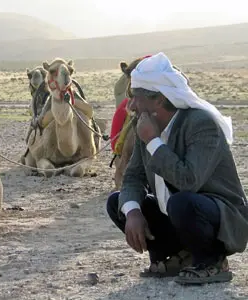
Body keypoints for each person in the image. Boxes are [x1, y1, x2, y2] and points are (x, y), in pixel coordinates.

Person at [106, 52, 248, 285]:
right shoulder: (145, 124)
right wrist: (132, 212)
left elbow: (188, 180)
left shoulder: (201, 124)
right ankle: (176, 257)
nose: (130, 105)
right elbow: (132, 176)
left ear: (159, 100)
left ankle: (212, 260)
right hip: (177, 217)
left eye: (135, 97)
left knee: (182, 202)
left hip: (219, 220)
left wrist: (153, 141)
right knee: (118, 202)